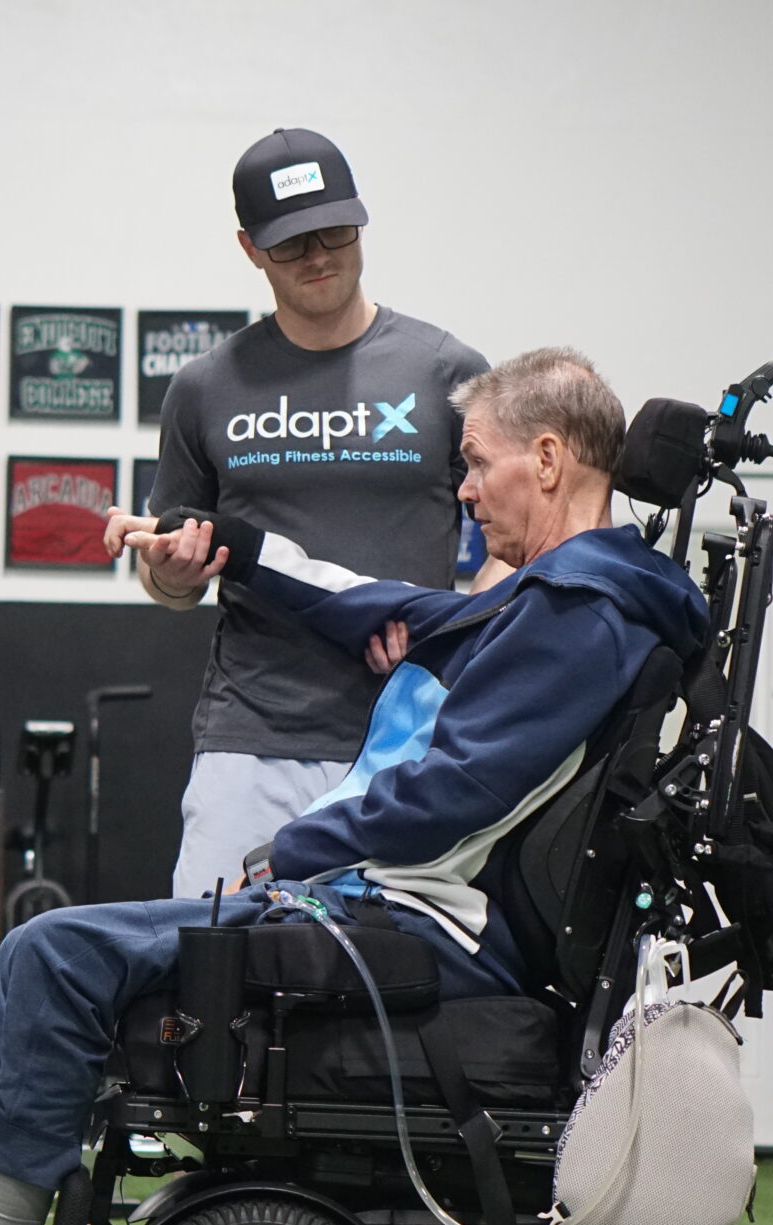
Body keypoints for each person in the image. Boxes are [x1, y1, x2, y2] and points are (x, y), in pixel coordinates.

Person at [0, 349, 705, 1225]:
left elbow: (460, 790)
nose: (465, 489)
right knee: (49, 951)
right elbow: (374, 601)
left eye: (477, 465)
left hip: (427, 928)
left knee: (50, 954)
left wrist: (293, 848)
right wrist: (230, 548)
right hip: (405, 909)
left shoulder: (577, 611)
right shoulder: (568, 597)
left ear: (549, 456)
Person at [104, 127, 489, 900]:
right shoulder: (206, 388)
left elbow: (514, 546)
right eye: (291, 245)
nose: (319, 256)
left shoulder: (446, 371)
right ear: (249, 248)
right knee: (206, 979)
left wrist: (452, 634)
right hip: (252, 740)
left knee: (402, 983)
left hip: (409, 735)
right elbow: (172, 585)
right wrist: (171, 575)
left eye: (336, 232)